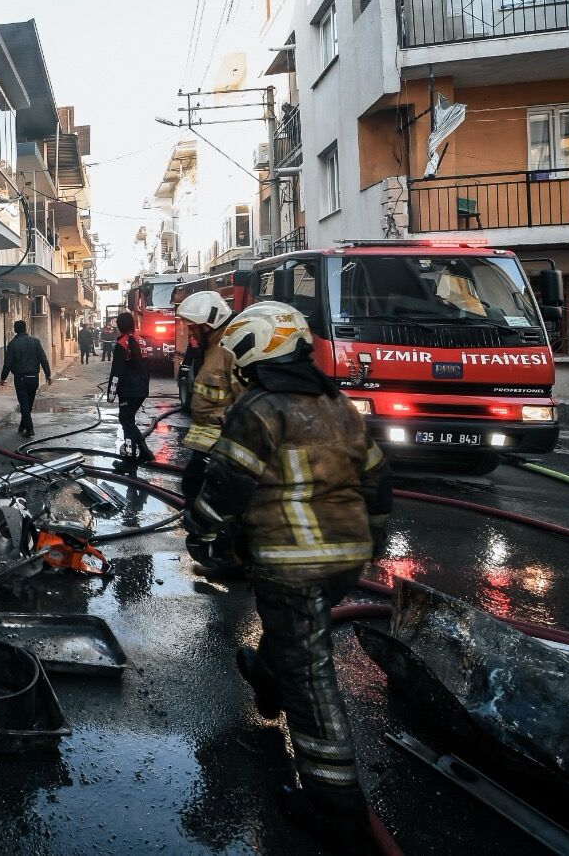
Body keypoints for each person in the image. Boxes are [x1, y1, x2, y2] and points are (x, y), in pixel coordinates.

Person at [183, 302, 390, 854]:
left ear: (257, 350)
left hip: (291, 561)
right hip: (346, 560)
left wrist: (203, 536)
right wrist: (374, 542)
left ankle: (337, 811)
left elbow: (226, 484)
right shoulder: (340, 405)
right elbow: (379, 483)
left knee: (312, 684)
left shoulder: (259, 408)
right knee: (293, 638)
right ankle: (267, 674)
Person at [175, 290, 237, 502]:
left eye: (193, 327)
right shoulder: (209, 349)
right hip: (206, 449)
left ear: (208, 324)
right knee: (192, 490)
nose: (190, 333)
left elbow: (248, 405)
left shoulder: (230, 351)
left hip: (223, 451)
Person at [107, 312, 155, 463]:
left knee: (126, 423)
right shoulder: (141, 341)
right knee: (129, 422)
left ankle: (130, 457)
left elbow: (116, 372)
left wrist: (111, 394)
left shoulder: (122, 344)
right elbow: (147, 368)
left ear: (120, 326)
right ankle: (144, 453)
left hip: (128, 391)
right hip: (141, 390)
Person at [0, 319, 51, 439]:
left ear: (15, 330)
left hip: (21, 378)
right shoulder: (35, 342)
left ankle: (30, 428)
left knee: (24, 404)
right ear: (25, 328)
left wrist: (3, 378)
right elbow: (43, 359)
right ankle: (22, 427)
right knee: (28, 404)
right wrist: (48, 374)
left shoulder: (12, 344)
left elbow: (7, 363)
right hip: (34, 378)